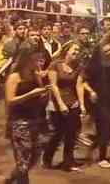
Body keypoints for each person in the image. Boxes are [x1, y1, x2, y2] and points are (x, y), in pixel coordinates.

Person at [4, 46, 52, 184]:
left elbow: (40, 96)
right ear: (26, 59)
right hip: (19, 122)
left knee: (35, 156)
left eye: (40, 59)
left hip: (36, 120)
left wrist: (44, 94)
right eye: (35, 59)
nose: (38, 63)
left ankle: (11, 178)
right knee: (23, 161)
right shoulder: (14, 77)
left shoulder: (36, 75)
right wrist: (30, 94)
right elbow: (10, 101)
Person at [44, 43, 87, 172]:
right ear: (67, 50)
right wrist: (61, 104)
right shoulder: (55, 65)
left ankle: (68, 162)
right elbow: (54, 86)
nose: (77, 51)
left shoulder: (79, 67)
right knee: (58, 133)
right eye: (75, 49)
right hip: (57, 104)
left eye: (79, 50)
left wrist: (81, 104)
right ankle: (47, 158)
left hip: (73, 103)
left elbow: (79, 86)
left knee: (71, 134)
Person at [85, 43, 110, 168]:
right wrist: (91, 92)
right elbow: (83, 82)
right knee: (104, 126)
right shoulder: (95, 66)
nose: (109, 51)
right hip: (99, 101)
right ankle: (102, 157)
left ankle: (95, 144)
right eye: (106, 50)